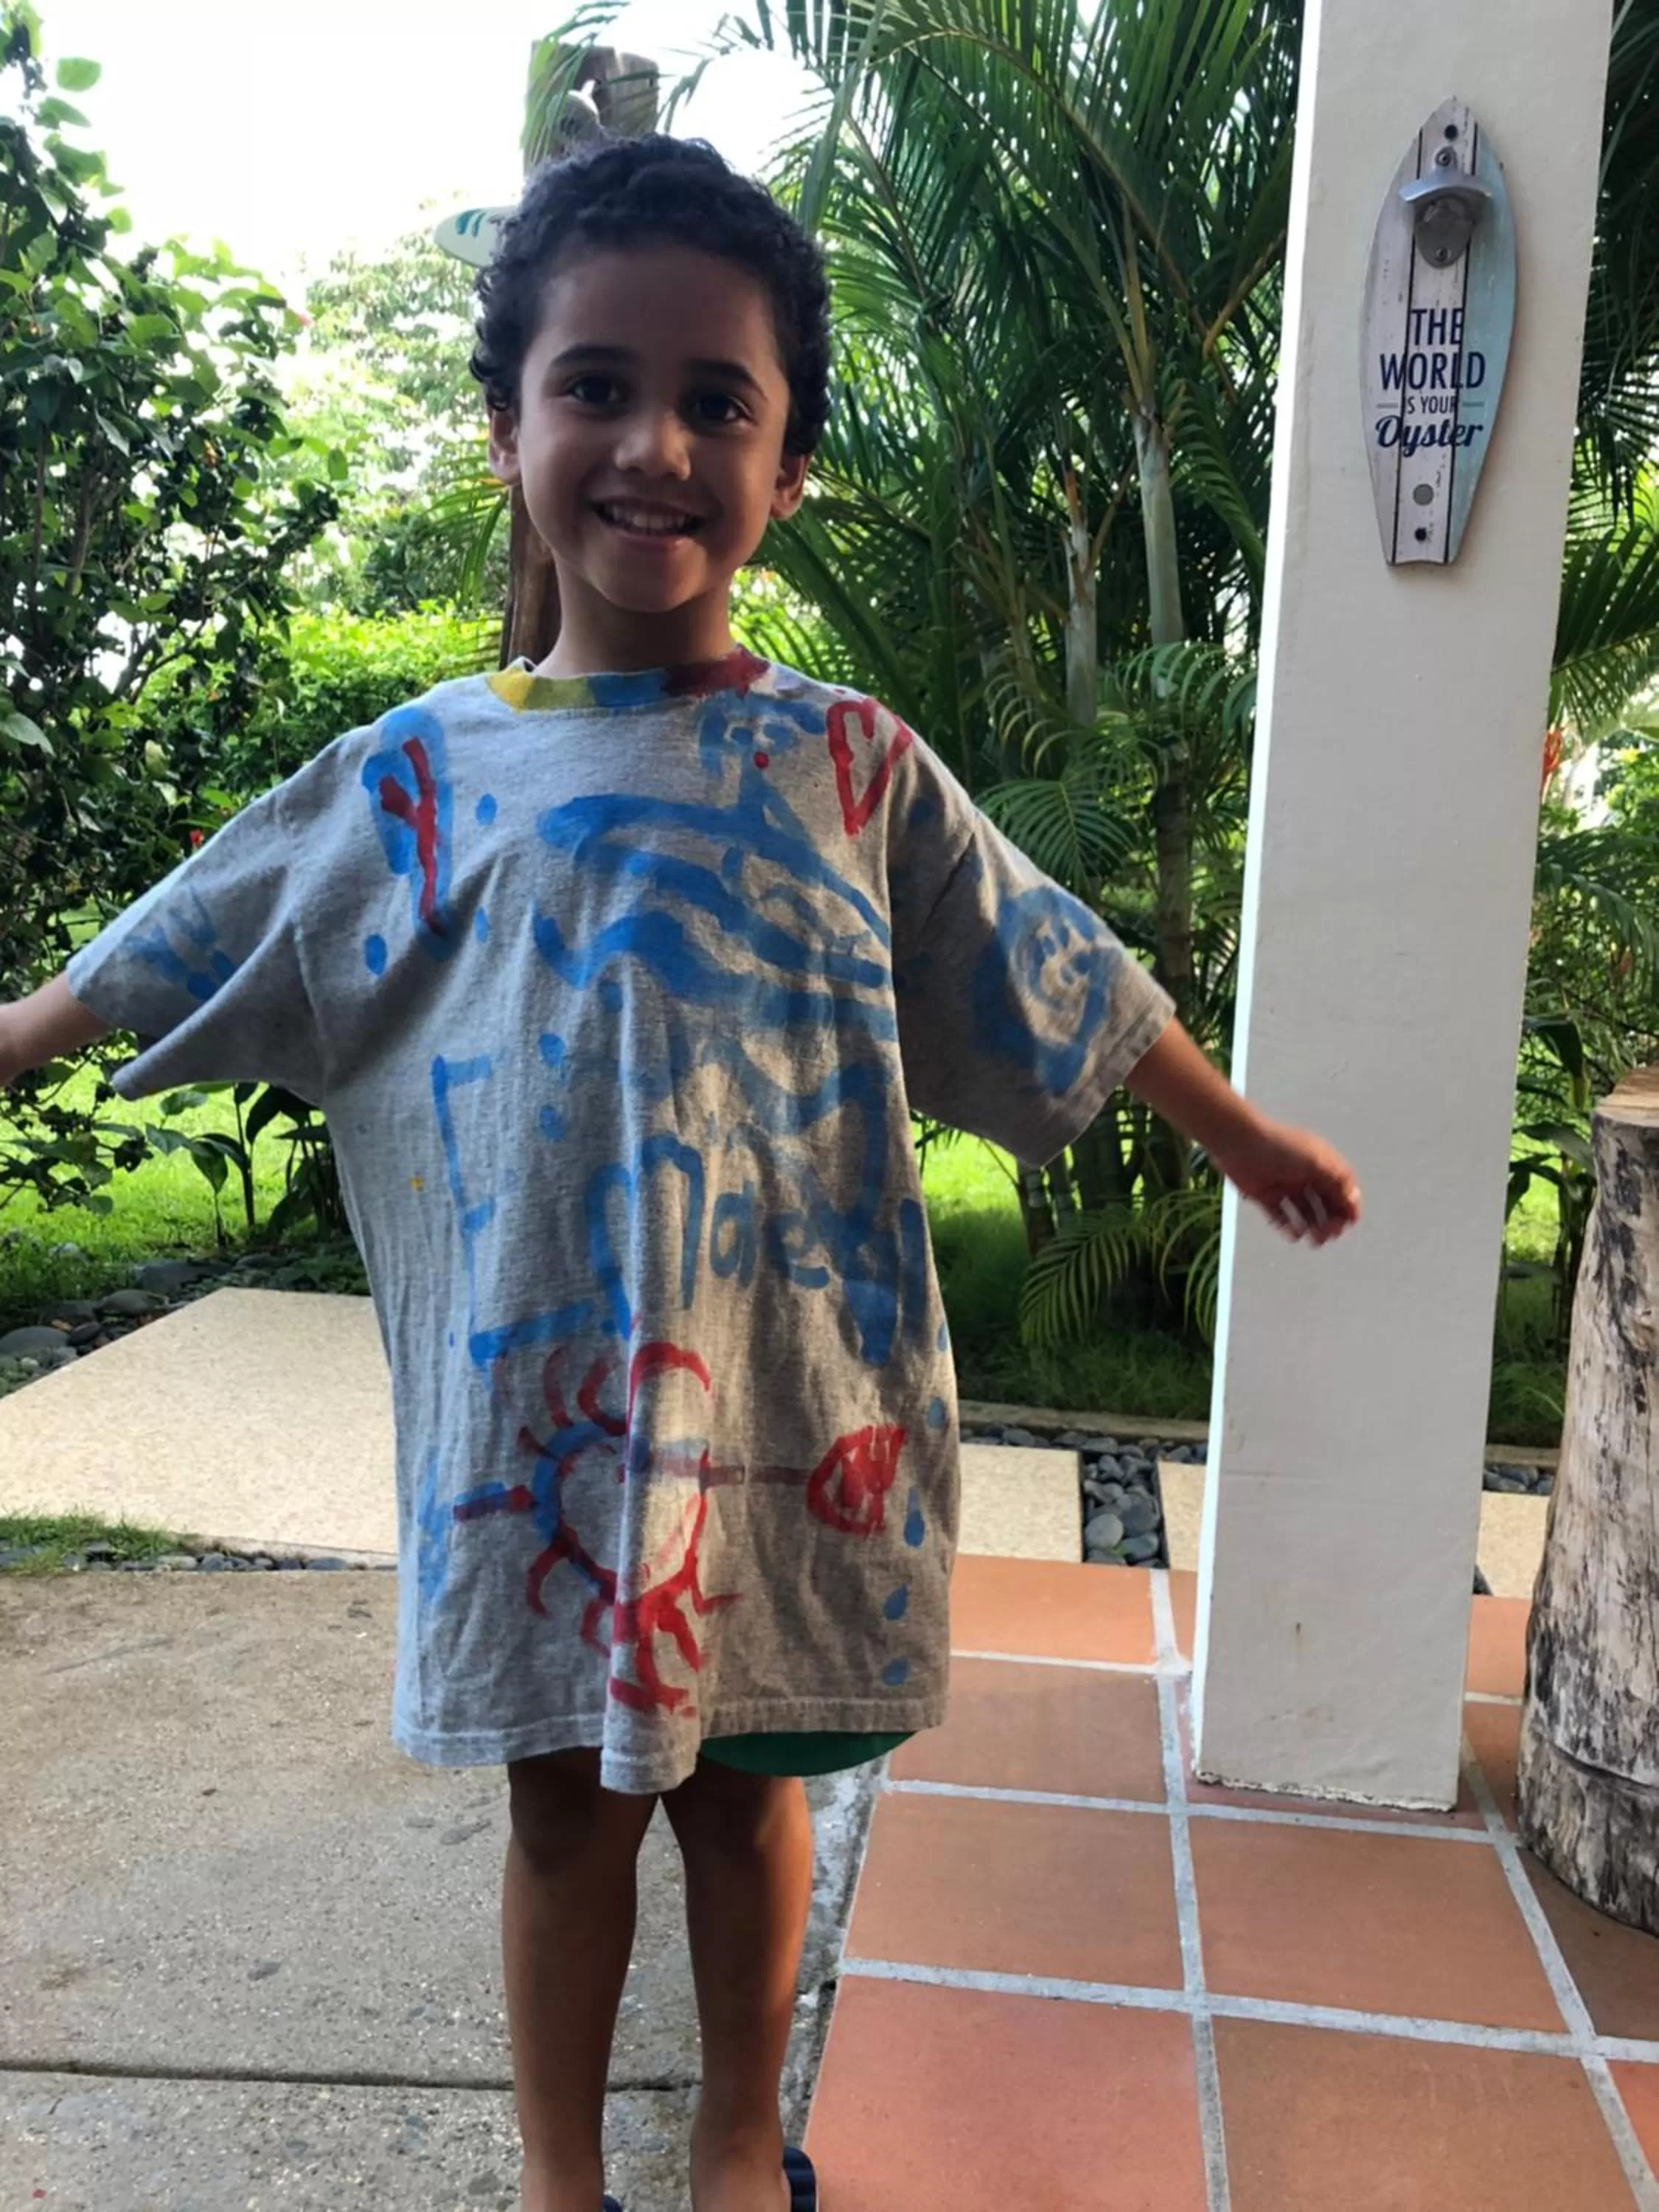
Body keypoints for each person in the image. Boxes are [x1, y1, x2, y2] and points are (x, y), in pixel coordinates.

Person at [0, 135, 1360, 2212]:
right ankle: (563, 2175)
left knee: (747, 1793)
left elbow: (1054, 961)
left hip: (789, 1401)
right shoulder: (416, 778)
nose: (655, 444)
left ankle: (740, 2142)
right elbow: (180, 936)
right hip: (536, 1429)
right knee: (564, 1811)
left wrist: (1243, 1134)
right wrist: (17, 1041)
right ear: (508, 428)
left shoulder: (851, 767)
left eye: (719, 402)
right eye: (597, 385)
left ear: (787, 465)